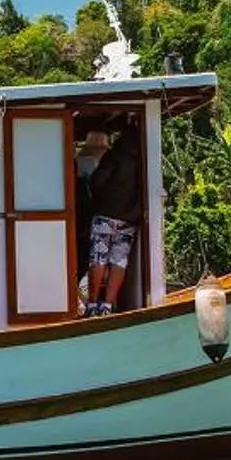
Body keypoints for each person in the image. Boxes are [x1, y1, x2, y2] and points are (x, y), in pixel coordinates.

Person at [81, 120, 141, 316]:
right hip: (129, 218)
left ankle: (91, 305)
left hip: (105, 215)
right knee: (119, 261)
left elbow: (98, 181)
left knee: (98, 257)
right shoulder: (143, 158)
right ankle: (107, 304)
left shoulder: (114, 156)